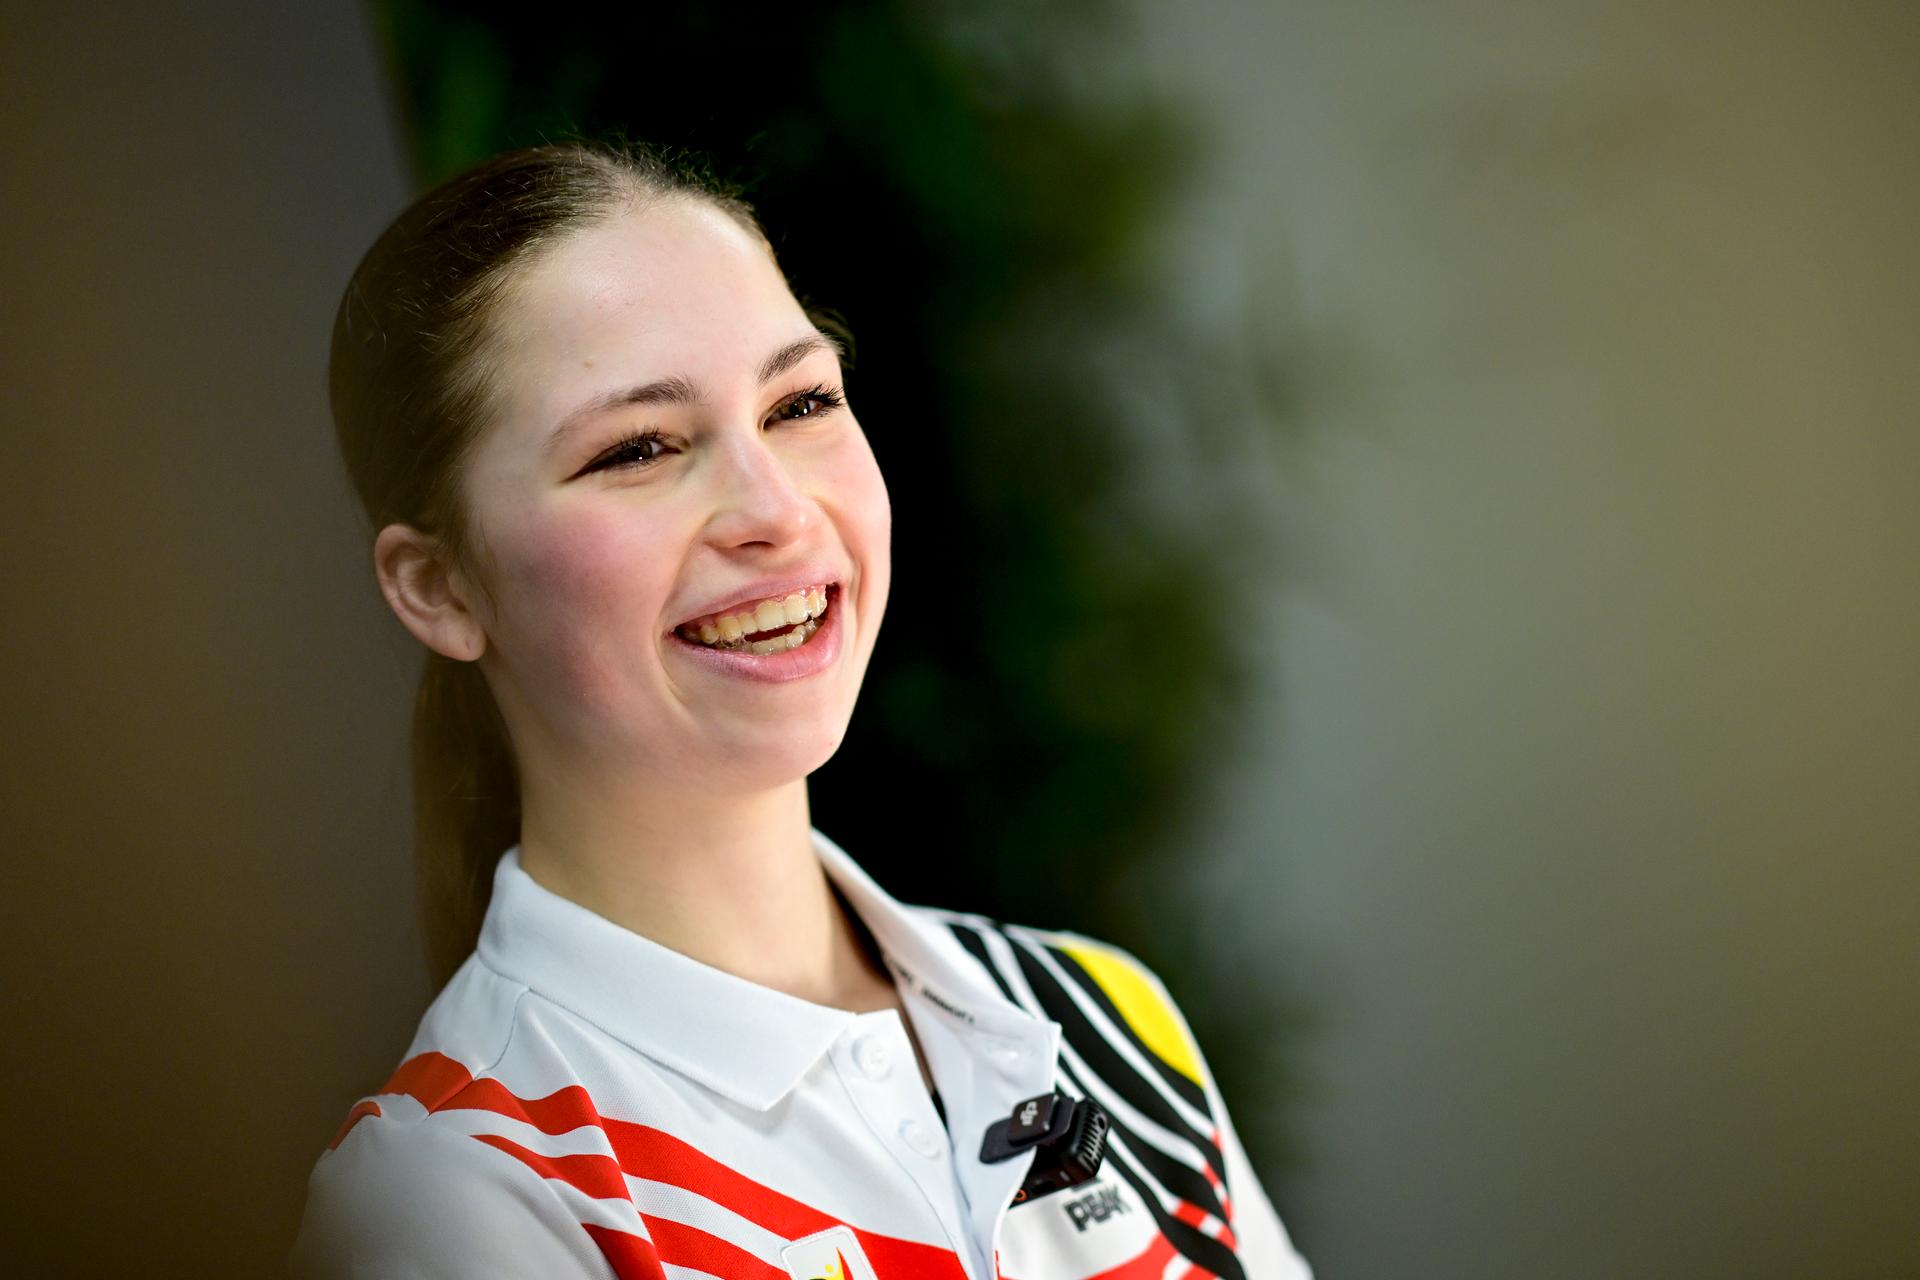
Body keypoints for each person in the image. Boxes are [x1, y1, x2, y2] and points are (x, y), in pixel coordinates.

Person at [291, 139, 1312, 1280]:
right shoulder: (461, 1191)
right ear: (440, 586)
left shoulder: (1103, 1016)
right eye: (637, 447)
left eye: (801, 400)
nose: (773, 507)